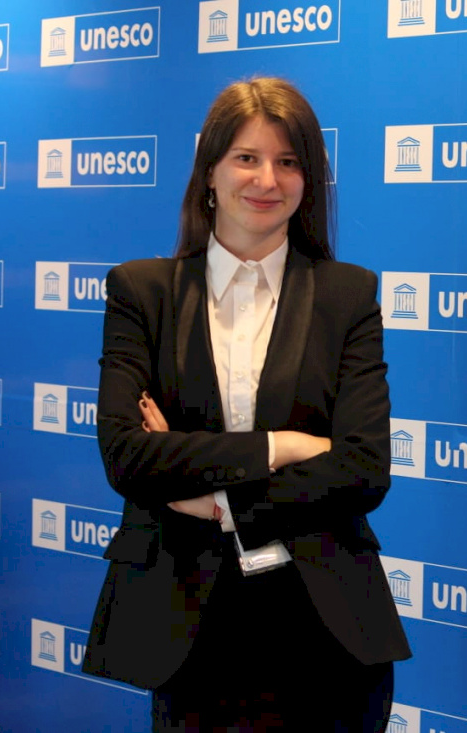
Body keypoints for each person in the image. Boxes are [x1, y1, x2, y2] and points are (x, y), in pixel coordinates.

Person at [81, 77, 411, 731]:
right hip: (188, 624)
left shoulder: (347, 296)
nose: (267, 178)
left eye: (289, 162)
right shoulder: (142, 294)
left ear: (308, 180)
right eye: (247, 157)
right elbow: (128, 456)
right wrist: (280, 447)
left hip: (325, 628)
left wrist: (213, 498)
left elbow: (363, 468)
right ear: (210, 172)